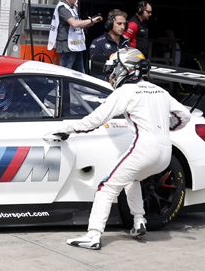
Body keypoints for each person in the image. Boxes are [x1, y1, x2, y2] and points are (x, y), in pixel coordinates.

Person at [44, 47, 191, 250]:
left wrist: (67, 129)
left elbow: (94, 120)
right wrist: (168, 128)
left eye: (115, 67)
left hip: (143, 149)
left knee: (106, 188)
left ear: (127, 69)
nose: (112, 72)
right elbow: (184, 116)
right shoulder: (160, 91)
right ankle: (139, 221)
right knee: (133, 179)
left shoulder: (126, 92)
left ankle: (93, 235)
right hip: (165, 153)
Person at [47, 0, 102, 73]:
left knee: (80, 73)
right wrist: (91, 21)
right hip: (67, 46)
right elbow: (74, 23)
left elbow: (79, 24)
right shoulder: (62, 7)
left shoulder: (72, 7)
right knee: (65, 73)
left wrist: (92, 21)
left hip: (76, 45)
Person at [89, 9, 127, 80]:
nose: (123, 27)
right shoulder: (98, 43)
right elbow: (96, 73)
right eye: (119, 23)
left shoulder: (126, 43)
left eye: (124, 24)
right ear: (110, 24)